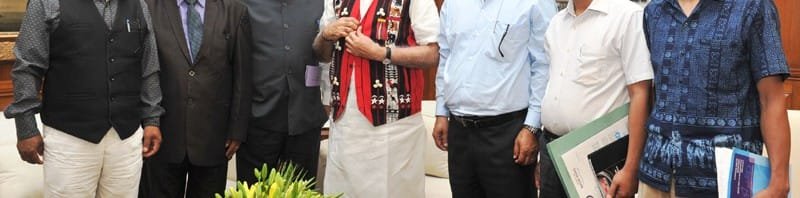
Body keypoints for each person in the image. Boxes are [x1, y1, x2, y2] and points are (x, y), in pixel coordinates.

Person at [5, 0, 164, 197]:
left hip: (126, 138)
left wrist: (152, 119)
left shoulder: (139, 4)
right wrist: (26, 127)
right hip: (70, 139)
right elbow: (27, 68)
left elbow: (149, 67)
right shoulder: (47, 2)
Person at [639, 0, 791, 197]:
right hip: (656, 177)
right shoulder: (654, 10)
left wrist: (779, 181)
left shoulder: (753, 7)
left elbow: (772, 98)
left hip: (725, 181)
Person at [313, 0, 440, 196]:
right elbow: (321, 54)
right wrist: (325, 35)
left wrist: (381, 53)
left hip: (396, 128)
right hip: (345, 127)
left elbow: (434, 53)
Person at [433, 0, 555, 197]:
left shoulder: (536, 2)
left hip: (508, 134)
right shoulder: (453, 3)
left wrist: (532, 126)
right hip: (459, 133)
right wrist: (441, 111)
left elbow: (544, 65)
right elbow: (446, 55)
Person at [537, 0, 653, 197]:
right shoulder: (557, 22)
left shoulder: (627, 16)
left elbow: (641, 94)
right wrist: (544, 157)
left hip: (599, 158)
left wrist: (632, 169)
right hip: (553, 150)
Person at [138, 0, 252, 197]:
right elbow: (142, 68)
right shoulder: (148, 7)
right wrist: (147, 120)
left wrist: (237, 129)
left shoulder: (235, 11)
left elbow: (242, 75)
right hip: (161, 135)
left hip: (214, 139)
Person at [236, 0, 327, 184]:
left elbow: (327, 58)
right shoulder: (243, 5)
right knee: (253, 191)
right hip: (257, 121)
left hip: (305, 120)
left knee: (302, 191)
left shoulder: (320, 4)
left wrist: (326, 109)